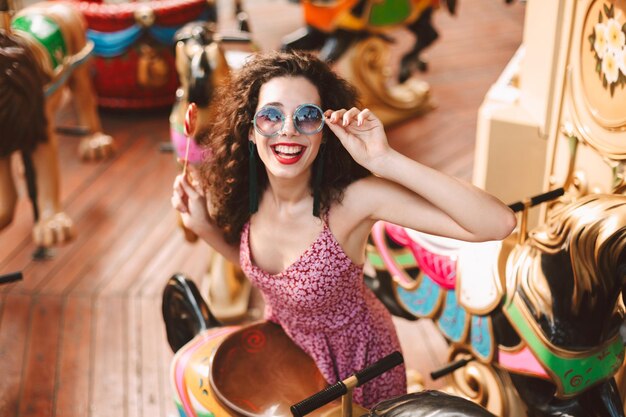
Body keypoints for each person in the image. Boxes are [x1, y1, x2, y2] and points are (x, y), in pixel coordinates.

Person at [171, 50, 517, 408]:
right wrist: (204, 227)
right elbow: (271, 281)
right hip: (286, 357)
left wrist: (384, 160)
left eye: (307, 117)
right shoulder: (247, 194)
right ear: (249, 130)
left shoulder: (351, 204)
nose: (288, 129)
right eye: (271, 115)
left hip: (356, 370)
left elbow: (497, 222)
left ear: (324, 132)